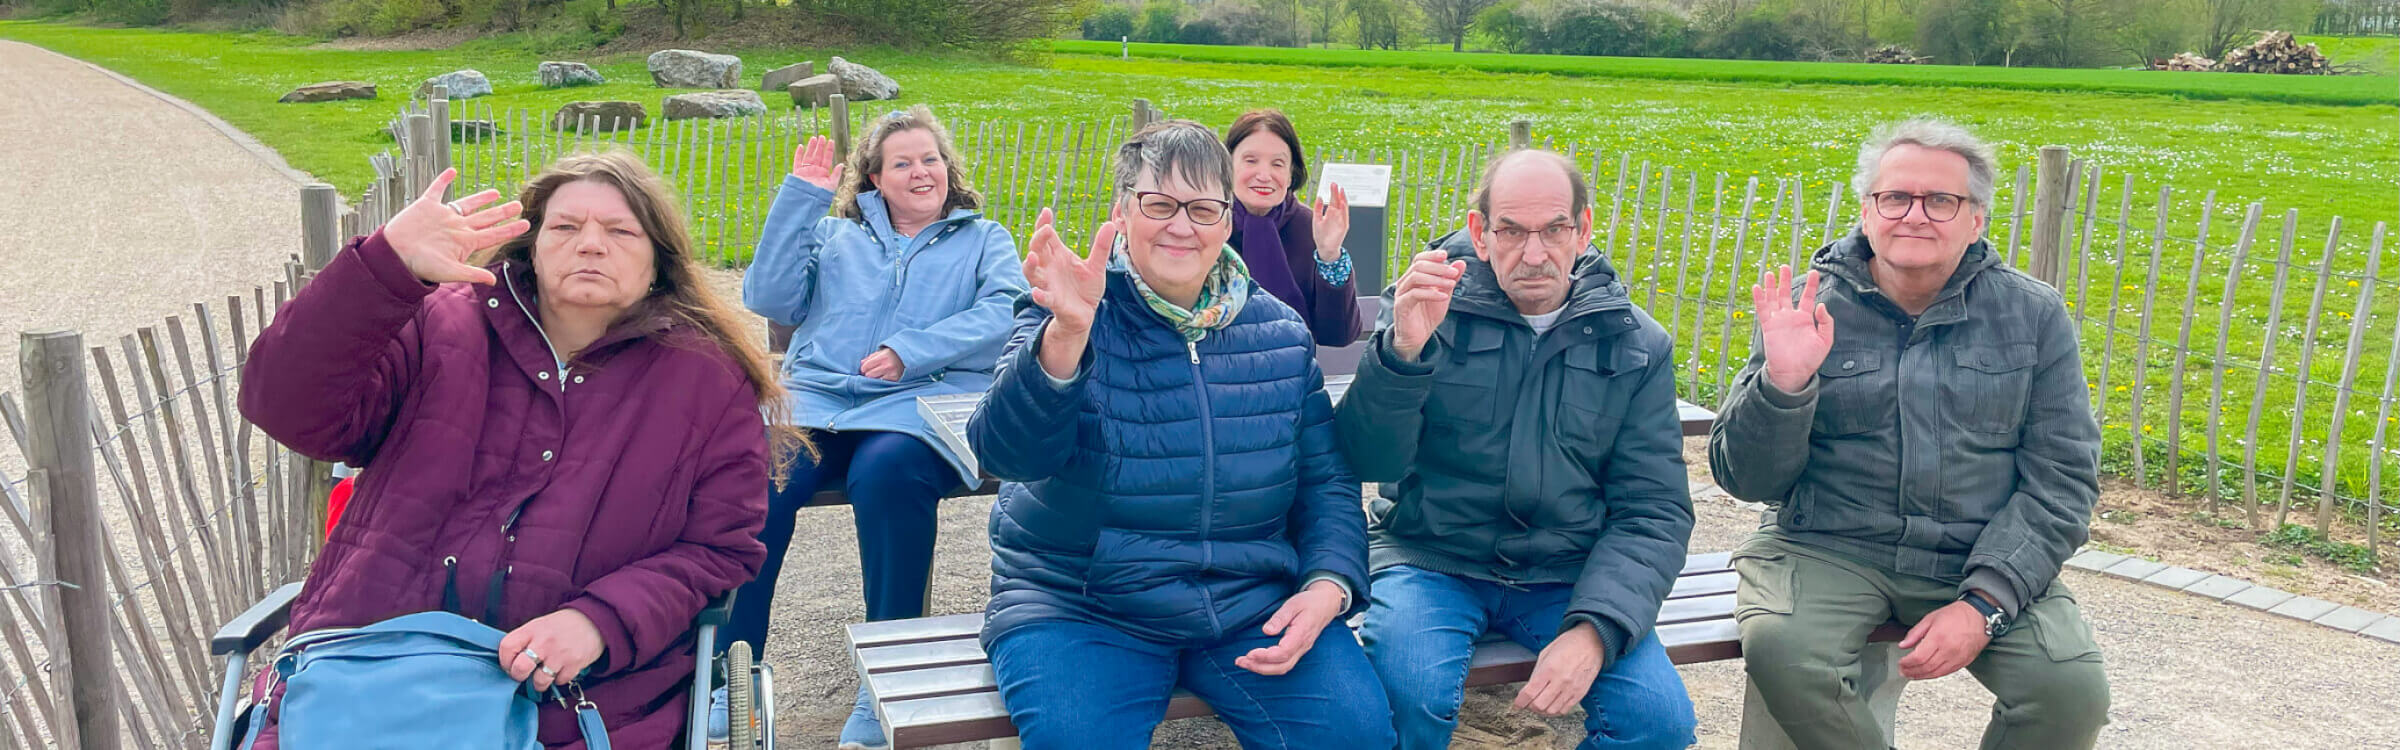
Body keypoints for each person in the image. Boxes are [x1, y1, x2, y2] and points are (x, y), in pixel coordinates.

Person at [238, 153, 796, 749]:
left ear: (658, 261)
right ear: (531, 244)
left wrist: (597, 622)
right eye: (564, 227)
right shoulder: (437, 324)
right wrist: (383, 267)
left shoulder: (706, 379)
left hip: (576, 701)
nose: (589, 245)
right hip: (370, 673)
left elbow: (717, 550)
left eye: (619, 231)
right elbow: (283, 407)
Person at [966, 119, 1394, 749]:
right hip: (1083, 603)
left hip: (1246, 598)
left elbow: (1326, 481)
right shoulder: (1069, 310)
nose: (1181, 225)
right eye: (1159, 204)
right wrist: (1064, 337)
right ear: (1121, 211)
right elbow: (1006, 454)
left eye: (1202, 208)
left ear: (1228, 222)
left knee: (1354, 734)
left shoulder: (1278, 333)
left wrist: (1330, 582)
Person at [1709, 118, 2110, 750]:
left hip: (1975, 551)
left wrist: (1985, 602)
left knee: (2068, 689)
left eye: (1940, 201)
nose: (1914, 215)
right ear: (1867, 212)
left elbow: (2063, 479)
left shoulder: (2031, 315)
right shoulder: (1805, 308)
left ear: (1975, 219)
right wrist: (1783, 387)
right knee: (1785, 651)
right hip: (1828, 544)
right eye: (1894, 198)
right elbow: (1747, 479)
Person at [1334, 149, 1698, 750]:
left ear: (1582, 230)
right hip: (1432, 558)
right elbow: (1370, 461)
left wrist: (1595, 630)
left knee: (1658, 723)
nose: (1534, 254)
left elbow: (1653, 511)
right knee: (1405, 695)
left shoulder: (1636, 344)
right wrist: (1401, 354)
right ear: (1480, 233)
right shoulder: (1427, 309)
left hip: (1566, 572)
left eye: (1554, 229)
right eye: (1511, 230)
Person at [733, 104, 1028, 749]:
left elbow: (1007, 311)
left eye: (931, 160)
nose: (922, 172)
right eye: (903, 163)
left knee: (886, 473)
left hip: (916, 407)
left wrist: (912, 350)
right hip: (816, 401)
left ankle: (884, 687)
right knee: (761, 476)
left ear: (948, 170)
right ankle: (731, 681)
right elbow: (769, 298)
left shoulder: (985, 238)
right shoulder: (835, 236)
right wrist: (799, 202)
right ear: (873, 179)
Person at [1223, 109, 1363, 347]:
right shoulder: (1205, 222)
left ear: (1290, 175)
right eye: (1251, 161)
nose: (1264, 175)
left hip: (1294, 375)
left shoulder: (1310, 228)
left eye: (1278, 164)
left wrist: (1330, 256)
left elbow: (1340, 336)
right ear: (1227, 166)